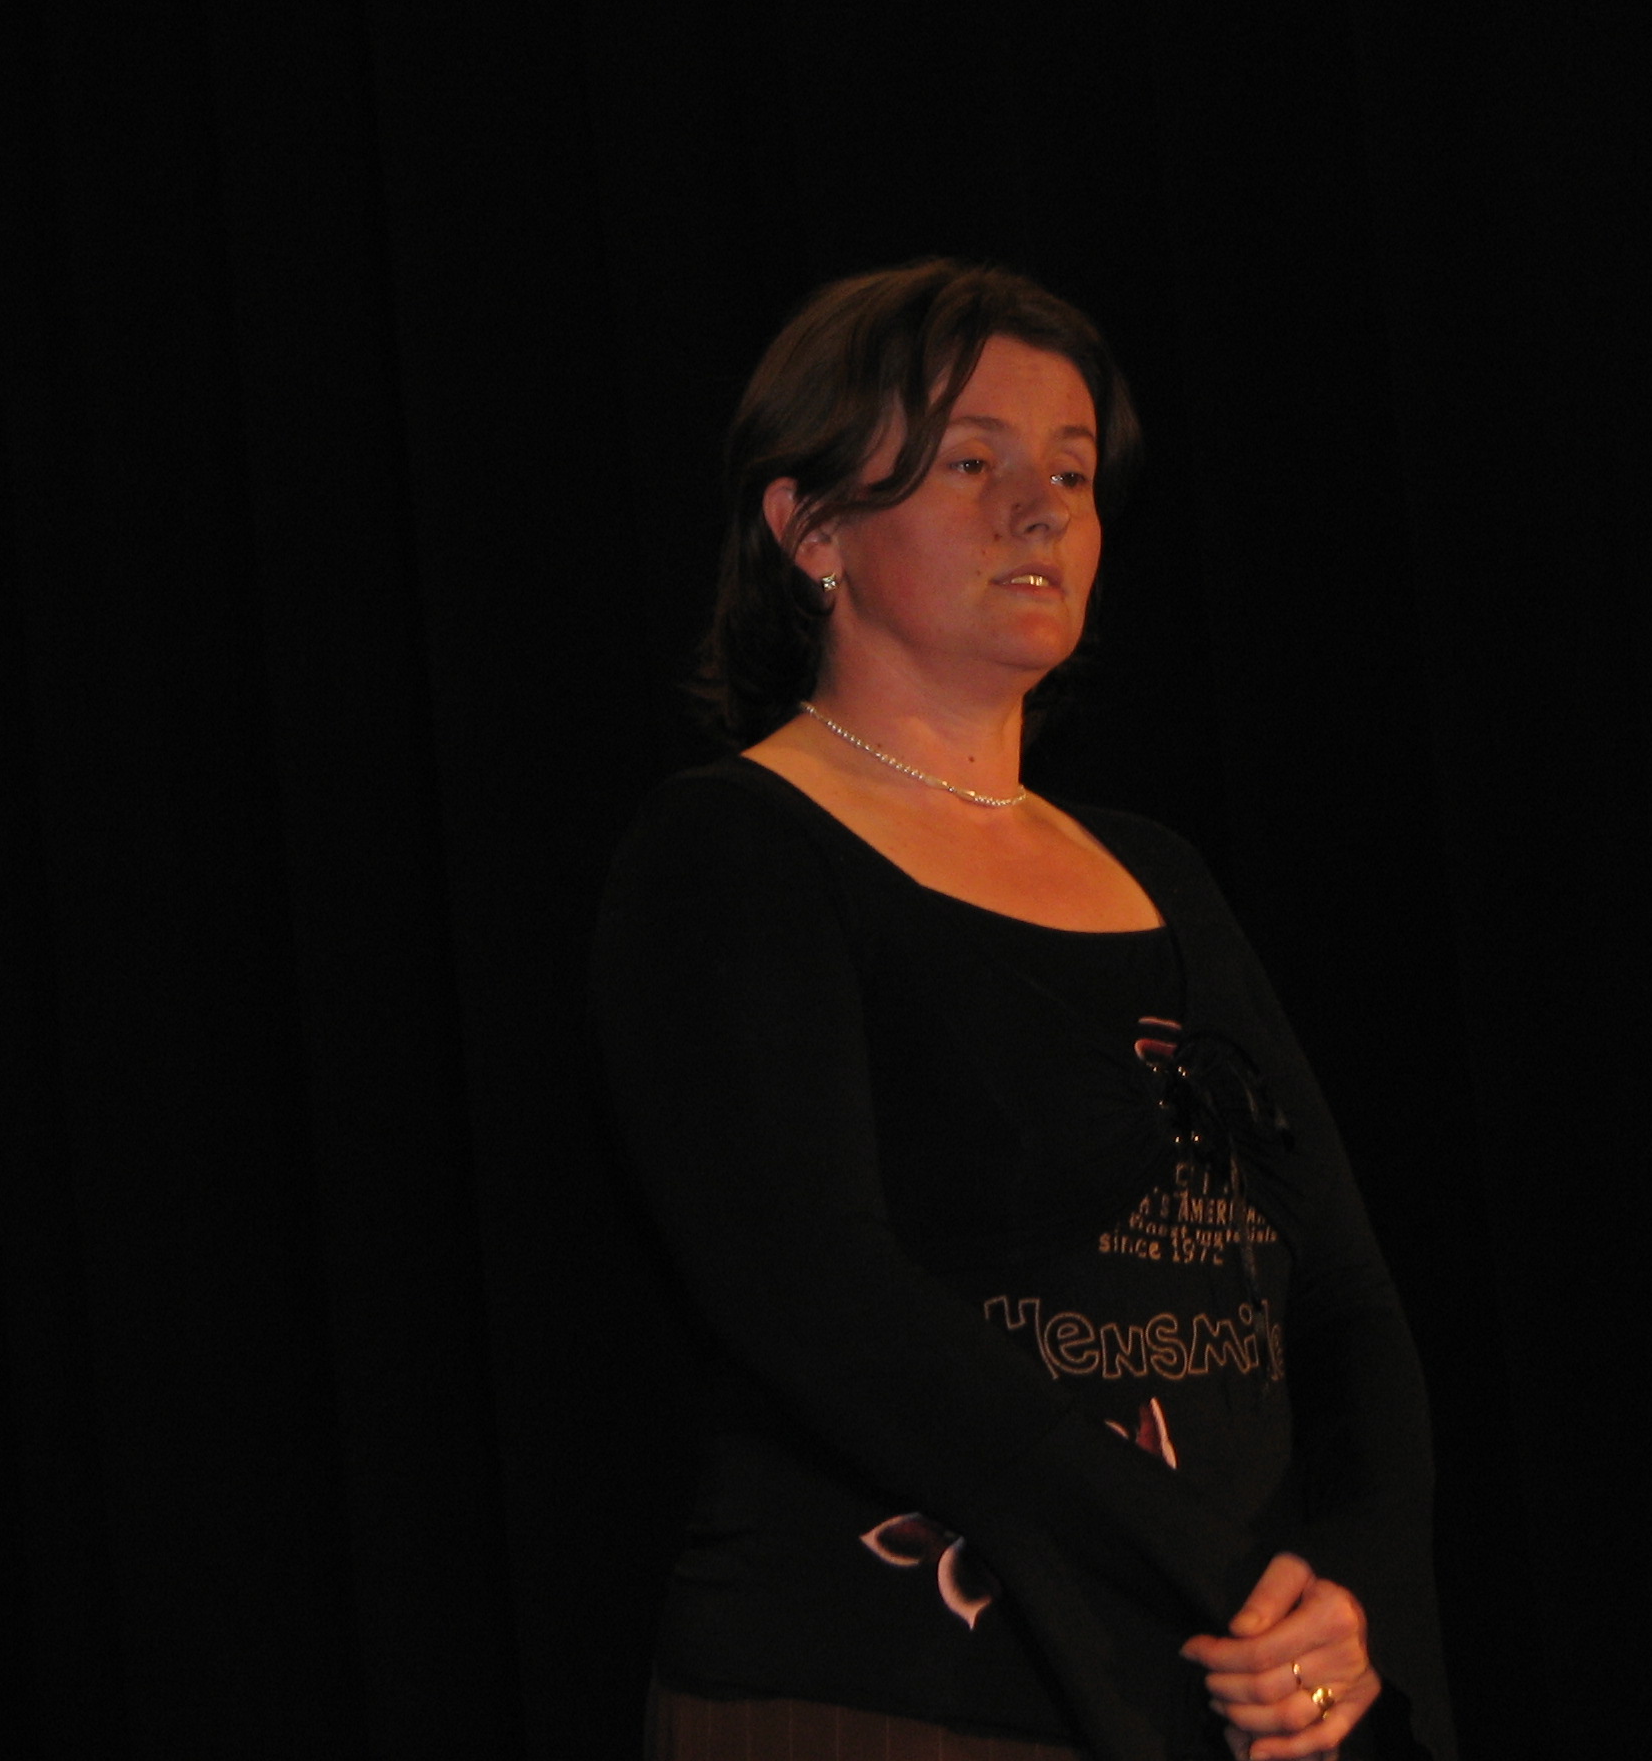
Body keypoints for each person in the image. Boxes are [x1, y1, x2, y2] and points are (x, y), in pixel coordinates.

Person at [592, 260, 1454, 1761]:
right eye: (970, 465)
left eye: (1070, 472)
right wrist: (1224, 1577)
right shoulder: (735, 851)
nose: (1041, 511)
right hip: (902, 1692)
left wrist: (1349, 1597)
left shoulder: (1161, 877)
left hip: (1216, 1688)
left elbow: (1342, 1306)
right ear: (811, 531)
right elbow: (825, 1302)